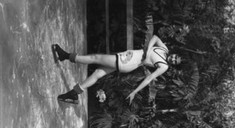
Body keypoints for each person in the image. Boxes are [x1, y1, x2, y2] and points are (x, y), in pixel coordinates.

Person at [52, 34, 181, 105]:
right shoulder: (165, 50)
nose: (173, 59)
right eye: (175, 57)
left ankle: (66, 56)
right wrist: (147, 53)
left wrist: (135, 92)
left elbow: (149, 79)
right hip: (128, 57)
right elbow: (155, 37)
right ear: (174, 53)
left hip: (128, 63)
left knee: (95, 57)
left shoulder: (164, 66)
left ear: (173, 64)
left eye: (175, 61)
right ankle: (74, 94)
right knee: (97, 73)